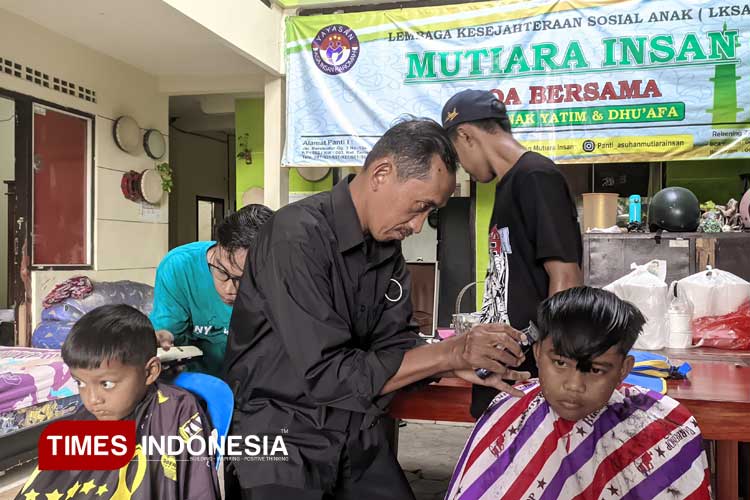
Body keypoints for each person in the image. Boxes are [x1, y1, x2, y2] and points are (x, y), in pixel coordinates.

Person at [224, 118, 531, 499]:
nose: (419, 226)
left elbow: (395, 345)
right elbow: (327, 376)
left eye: (429, 213)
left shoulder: (385, 246)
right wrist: (450, 351)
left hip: (353, 425)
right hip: (280, 430)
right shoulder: (295, 235)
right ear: (382, 173)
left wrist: (452, 362)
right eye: (420, 207)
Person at [445, 287, 711, 500]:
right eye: (560, 363)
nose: (574, 385)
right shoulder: (507, 408)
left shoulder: (667, 426)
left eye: (595, 370)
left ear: (623, 368)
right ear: (537, 353)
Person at [442, 89, 584, 418]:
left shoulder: (536, 177)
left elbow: (566, 276)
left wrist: (553, 362)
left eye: (457, 153)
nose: (463, 166)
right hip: (504, 362)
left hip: (530, 371)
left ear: (465, 135)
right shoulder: (508, 185)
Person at [17, 304, 220, 500]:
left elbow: (197, 487)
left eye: (106, 383)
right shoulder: (86, 418)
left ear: (150, 371)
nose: (92, 399)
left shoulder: (177, 410)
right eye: (80, 382)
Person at [151, 203, 273, 376]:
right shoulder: (179, 267)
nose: (230, 289)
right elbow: (167, 334)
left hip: (257, 380)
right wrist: (161, 338)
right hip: (197, 380)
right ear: (217, 246)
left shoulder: (283, 276)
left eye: (245, 279)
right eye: (222, 271)